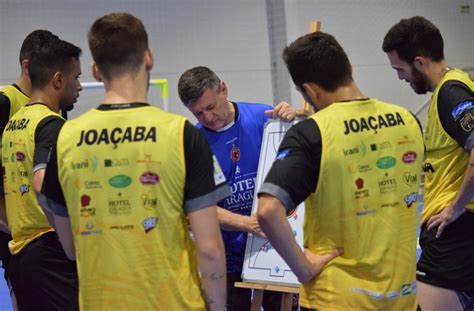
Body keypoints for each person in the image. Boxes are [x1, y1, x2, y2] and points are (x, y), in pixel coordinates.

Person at [38, 13, 228, 310]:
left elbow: (71, 248)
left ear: (95, 71)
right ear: (149, 57)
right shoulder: (182, 134)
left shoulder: (65, 139)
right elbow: (210, 249)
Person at [256, 31, 425, 311]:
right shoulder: (408, 120)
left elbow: (268, 210)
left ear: (309, 91)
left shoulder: (312, 133)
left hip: (336, 299)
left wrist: (303, 268)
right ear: (349, 69)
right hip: (402, 297)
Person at [178, 66, 295, 310]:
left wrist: (294, 117)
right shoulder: (193, 143)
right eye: (198, 113)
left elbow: (296, 172)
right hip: (229, 258)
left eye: (210, 107)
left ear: (223, 88)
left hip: (275, 250)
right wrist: (247, 224)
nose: (208, 118)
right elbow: (199, 208)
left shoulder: (264, 118)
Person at [382, 16, 474, 311]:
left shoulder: (451, 93)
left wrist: (456, 206)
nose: (400, 77)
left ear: (419, 62)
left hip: (453, 237)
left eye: (400, 69)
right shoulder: (451, 90)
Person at [1, 32, 82, 310]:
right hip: (50, 251)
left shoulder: (14, 123)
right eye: (76, 78)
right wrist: (69, 240)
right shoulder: (49, 123)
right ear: (58, 80)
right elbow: (41, 182)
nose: (80, 87)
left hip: (20, 252)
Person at [0, 30, 57, 308]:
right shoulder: (5, 101)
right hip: (13, 226)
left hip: (47, 228)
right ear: (27, 65)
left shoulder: (51, 107)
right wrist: (8, 220)